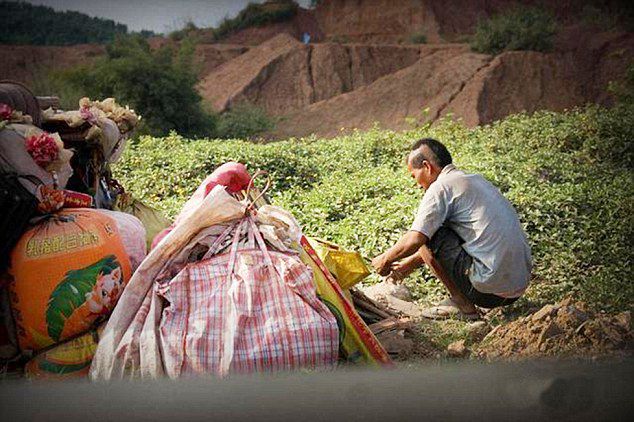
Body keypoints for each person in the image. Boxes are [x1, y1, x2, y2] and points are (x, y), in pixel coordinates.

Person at [371, 138, 532, 319]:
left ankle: (463, 305)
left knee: (428, 233)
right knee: (432, 230)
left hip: (490, 292)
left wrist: (384, 259)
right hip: (518, 286)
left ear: (427, 167)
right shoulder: (474, 179)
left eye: (414, 176)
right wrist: (406, 267)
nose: (416, 184)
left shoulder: (440, 187)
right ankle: (467, 296)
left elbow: (417, 239)